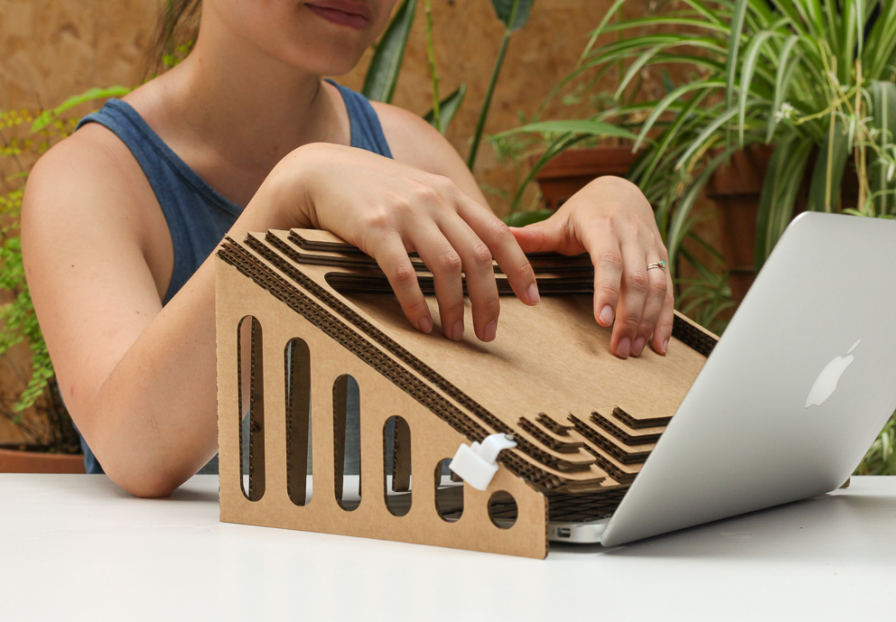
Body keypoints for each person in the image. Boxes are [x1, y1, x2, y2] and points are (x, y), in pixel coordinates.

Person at [21, 0, 673, 498]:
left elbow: (516, 405)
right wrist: (287, 194)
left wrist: (595, 238)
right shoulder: (92, 181)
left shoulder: (411, 152)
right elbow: (135, 451)